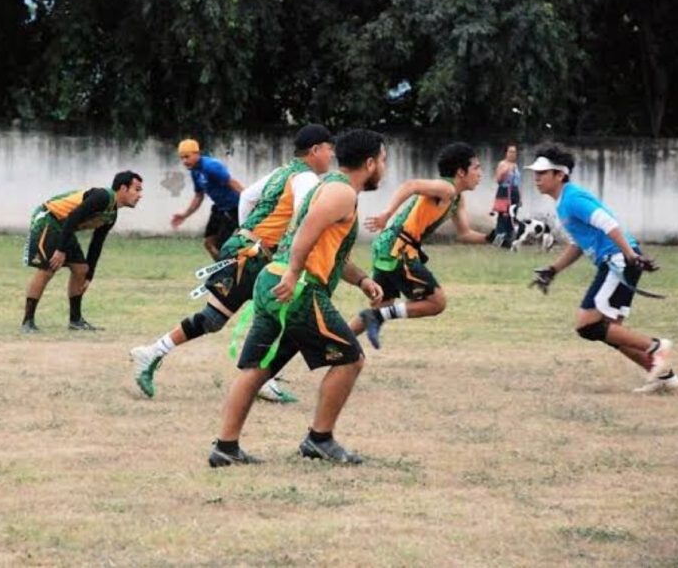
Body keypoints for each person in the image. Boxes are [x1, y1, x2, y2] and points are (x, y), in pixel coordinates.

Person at [208, 128, 386, 468]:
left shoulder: (329, 187)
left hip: (276, 281)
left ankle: (225, 448)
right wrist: (293, 273)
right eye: (383, 160)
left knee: (259, 368)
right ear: (369, 162)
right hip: (298, 289)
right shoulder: (342, 193)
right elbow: (305, 233)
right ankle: (319, 440)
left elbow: (328, 250)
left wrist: (362, 279)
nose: (384, 167)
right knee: (350, 359)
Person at [130, 124, 334, 401]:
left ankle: (152, 351)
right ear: (316, 150)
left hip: (242, 248)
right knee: (294, 312)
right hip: (255, 255)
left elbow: (248, 197)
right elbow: (303, 218)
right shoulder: (308, 180)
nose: (331, 156)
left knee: (215, 318)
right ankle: (262, 376)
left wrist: (246, 233)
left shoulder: (282, 172)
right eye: (329, 150)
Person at [525, 146, 676, 394]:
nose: (537, 178)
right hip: (618, 259)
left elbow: (608, 223)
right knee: (611, 332)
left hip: (617, 260)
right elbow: (579, 244)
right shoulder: (564, 202)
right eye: (535, 173)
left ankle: (656, 347)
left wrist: (629, 255)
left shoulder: (573, 199)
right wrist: (553, 269)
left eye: (542, 172)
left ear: (560, 175)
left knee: (587, 326)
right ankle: (663, 376)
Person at [353, 143, 494, 349]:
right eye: (477, 168)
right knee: (436, 302)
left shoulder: (456, 198)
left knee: (383, 305)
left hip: (389, 246)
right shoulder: (445, 188)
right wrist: (387, 213)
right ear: (461, 172)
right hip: (398, 249)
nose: (480, 173)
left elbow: (464, 233)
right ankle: (373, 317)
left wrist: (493, 238)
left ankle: (338, 343)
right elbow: (410, 186)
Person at [21, 171, 143, 333]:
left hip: (65, 228)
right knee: (48, 269)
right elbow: (73, 217)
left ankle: (76, 320)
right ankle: (27, 322)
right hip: (49, 219)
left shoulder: (111, 215)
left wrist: (89, 275)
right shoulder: (102, 197)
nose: (140, 195)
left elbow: (96, 244)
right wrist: (60, 250)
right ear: (123, 188)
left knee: (81, 270)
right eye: (137, 189)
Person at [170, 139, 244, 260]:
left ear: (197, 153)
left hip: (233, 208)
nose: (184, 161)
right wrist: (184, 215)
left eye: (187, 157)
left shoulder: (211, 166)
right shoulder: (195, 171)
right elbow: (199, 196)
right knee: (209, 243)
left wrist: (250, 201)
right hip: (219, 208)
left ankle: (231, 273)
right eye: (181, 158)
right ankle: (223, 270)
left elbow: (232, 183)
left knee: (222, 246)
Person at [491, 143, 522, 247]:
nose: (513, 154)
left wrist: (520, 197)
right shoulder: (502, 164)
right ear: (506, 153)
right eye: (510, 152)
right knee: (503, 217)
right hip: (504, 191)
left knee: (512, 217)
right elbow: (498, 180)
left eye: (514, 152)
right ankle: (499, 241)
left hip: (514, 192)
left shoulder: (516, 165)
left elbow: (518, 183)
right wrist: (504, 172)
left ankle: (509, 242)